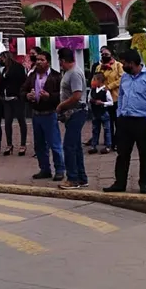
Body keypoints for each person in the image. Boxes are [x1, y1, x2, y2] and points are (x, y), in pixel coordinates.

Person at [102, 49, 146, 194]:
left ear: (133, 63)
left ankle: (144, 183)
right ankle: (119, 183)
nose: (123, 66)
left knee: (143, 154)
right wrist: (119, 113)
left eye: (125, 64)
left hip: (142, 120)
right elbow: (121, 95)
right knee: (122, 154)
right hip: (125, 120)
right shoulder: (126, 77)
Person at [50, 48, 88, 189]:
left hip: (77, 111)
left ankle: (73, 178)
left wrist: (61, 105)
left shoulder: (74, 74)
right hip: (71, 113)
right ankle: (81, 177)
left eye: (60, 61)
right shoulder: (69, 73)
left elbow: (77, 95)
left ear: (63, 60)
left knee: (69, 146)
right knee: (76, 146)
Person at [27, 52, 63, 180]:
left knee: (55, 144)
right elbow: (22, 90)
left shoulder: (56, 76)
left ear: (48, 62)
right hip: (36, 114)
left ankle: (59, 169)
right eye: (37, 60)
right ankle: (44, 169)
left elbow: (62, 95)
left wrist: (50, 97)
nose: (38, 62)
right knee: (39, 144)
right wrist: (27, 96)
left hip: (50, 113)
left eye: (41, 60)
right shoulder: (31, 76)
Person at [0, 51, 28, 154]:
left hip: (16, 98)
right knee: (7, 122)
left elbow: (22, 82)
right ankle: (9, 144)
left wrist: (19, 95)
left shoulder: (18, 67)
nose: (0, 60)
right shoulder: (3, 69)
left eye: (1, 58)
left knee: (21, 121)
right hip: (6, 99)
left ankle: (23, 144)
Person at [99, 48, 124, 142]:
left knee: (117, 122)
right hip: (104, 99)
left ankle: (118, 141)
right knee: (107, 122)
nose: (104, 56)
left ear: (111, 54)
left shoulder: (118, 66)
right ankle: (109, 141)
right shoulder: (99, 67)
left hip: (115, 97)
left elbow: (122, 79)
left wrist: (109, 86)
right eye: (102, 54)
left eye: (106, 54)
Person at [87, 72, 114, 153]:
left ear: (99, 81)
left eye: (94, 79)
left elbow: (111, 102)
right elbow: (89, 99)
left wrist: (102, 103)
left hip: (103, 113)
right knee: (95, 130)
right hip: (95, 113)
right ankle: (93, 146)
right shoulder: (92, 90)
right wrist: (92, 101)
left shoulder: (105, 91)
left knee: (107, 130)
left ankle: (108, 146)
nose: (93, 81)